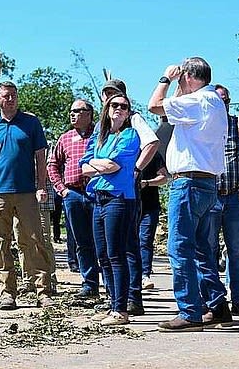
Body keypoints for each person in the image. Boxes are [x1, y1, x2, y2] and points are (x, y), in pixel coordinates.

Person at [148, 57, 229, 332]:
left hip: (189, 183)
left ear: (191, 77)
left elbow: (154, 106)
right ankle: (217, 305)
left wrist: (165, 79)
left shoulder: (197, 101)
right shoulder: (214, 101)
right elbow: (168, 114)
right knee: (203, 250)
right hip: (207, 183)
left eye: (183, 76)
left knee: (180, 247)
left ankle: (190, 312)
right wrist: (180, 88)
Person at [0, 81, 54, 310]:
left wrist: (41, 186)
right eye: (6, 96)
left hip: (26, 192)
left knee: (34, 240)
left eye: (13, 96)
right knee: (1, 242)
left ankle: (43, 291)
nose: (10, 99)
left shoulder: (30, 123)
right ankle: (7, 292)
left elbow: (41, 158)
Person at [100, 79, 159, 316]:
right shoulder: (103, 125)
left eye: (115, 96)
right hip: (104, 191)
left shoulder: (134, 119)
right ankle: (115, 298)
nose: (110, 100)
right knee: (109, 249)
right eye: (106, 95)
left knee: (128, 248)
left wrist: (135, 169)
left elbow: (152, 142)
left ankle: (132, 298)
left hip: (126, 193)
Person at [80, 93, 140, 326]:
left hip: (119, 199)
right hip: (99, 198)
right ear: (106, 109)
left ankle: (121, 309)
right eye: (114, 105)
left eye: (124, 107)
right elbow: (83, 168)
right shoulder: (99, 137)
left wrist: (96, 164)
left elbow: (112, 165)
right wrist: (98, 165)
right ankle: (112, 303)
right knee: (102, 254)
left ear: (128, 113)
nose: (119, 109)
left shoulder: (130, 135)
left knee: (117, 254)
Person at [203, 84, 239, 316]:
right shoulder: (204, 124)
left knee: (238, 250)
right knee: (208, 250)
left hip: (236, 196)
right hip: (211, 197)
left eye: (225, 101)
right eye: (217, 101)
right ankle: (214, 302)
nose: (222, 104)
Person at [48, 99, 101, 297]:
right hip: (73, 195)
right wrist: (62, 190)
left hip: (98, 194)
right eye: (71, 111)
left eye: (78, 111)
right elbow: (52, 165)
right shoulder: (65, 138)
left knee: (101, 241)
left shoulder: (101, 134)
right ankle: (90, 284)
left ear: (89, 113)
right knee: (81, 242)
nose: (73, 114)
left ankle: (112, 286)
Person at [138, 151, 168, 289]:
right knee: (127, 241)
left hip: (150, 206)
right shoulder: (125, 151)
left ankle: (145, 275)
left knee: (145, 240)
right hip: (128, 204)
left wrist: (147, 183)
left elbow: (163, 178)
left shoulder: (154, 154)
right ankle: (131, 276)